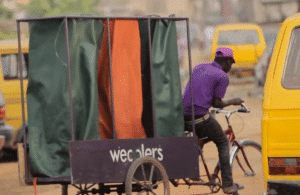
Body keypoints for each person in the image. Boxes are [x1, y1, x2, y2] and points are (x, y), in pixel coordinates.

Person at [182, 47, 244, 194]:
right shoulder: (222, 76)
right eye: (231, 63)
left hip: (183, 117)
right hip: (199, 117)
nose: (231, 67)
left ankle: (192, 171)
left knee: (205, 134)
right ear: (227, 62)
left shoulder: (199, 67)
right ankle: (228, 185)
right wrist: (233, 101)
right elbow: (217, 104)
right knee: (222, 141)